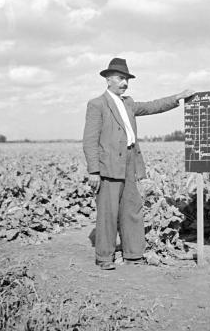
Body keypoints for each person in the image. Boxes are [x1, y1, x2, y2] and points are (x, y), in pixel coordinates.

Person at [83, 57, 194, 270]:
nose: (124, 83)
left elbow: (153, 106)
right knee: (107, 213)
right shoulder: (97, 104)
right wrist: (93, 171)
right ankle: (104, 258)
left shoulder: (129, 103)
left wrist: (178, 97)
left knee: (132, 210)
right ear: (108, 79)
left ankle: (133, 254)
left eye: (126, 79)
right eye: (119, 78)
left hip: (130, 164)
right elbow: (89, 140)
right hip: (107, 167)